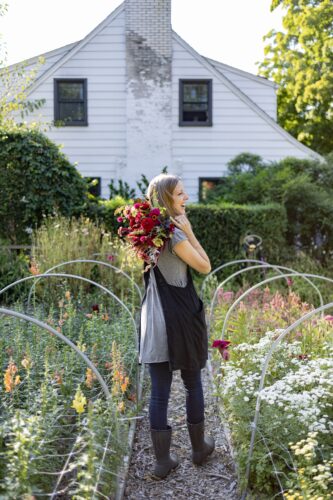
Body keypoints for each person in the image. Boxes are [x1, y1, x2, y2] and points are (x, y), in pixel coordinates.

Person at [139, 173, 215, 479]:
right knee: (192, 381)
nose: (186, 198)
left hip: (152, 316)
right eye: (181, 194)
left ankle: (162, 462)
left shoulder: (145, 233)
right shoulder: (175, 233)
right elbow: (205, 266)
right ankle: (198, 449)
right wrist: (191, 232)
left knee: (159, 392)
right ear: (166, 198)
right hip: (180, 317)